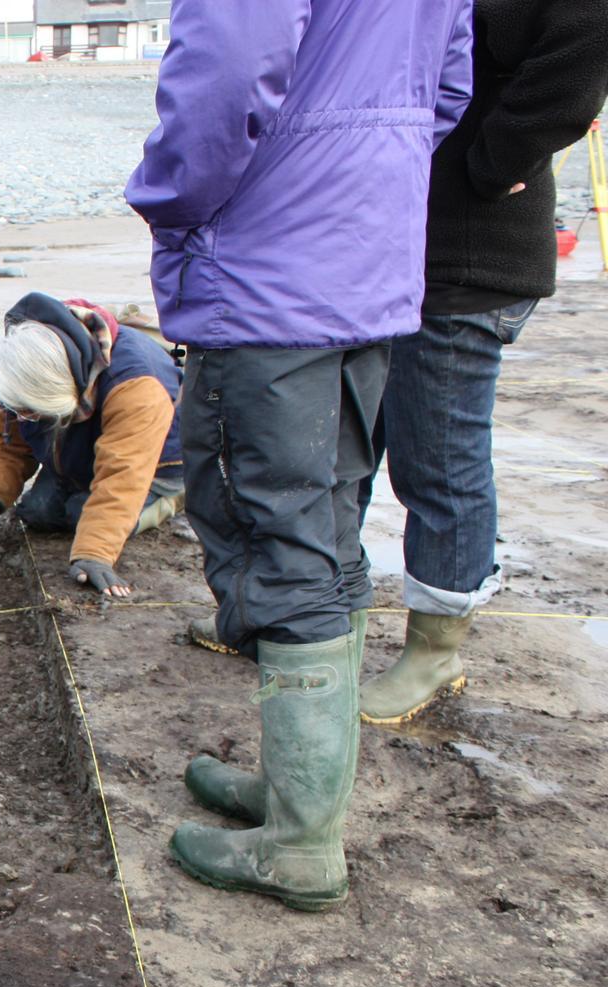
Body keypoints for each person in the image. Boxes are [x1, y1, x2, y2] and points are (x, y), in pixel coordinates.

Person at [125, 0, 473, 911]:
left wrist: (172, 204)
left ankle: (302, 844)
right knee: (329, 523)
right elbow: (448, 81)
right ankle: (297, 792)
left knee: (276, 535)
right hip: (367, 258)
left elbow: (224, 75)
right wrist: (366, 175)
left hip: (269, 271)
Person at [352, 0, 608, 725]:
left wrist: (487, 166)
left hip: (469, 252)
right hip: (394, 248)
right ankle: (322, 625)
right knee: (353, 436)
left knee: (437, 460)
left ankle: (435, 653)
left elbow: (579, 55)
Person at [0, 293, 184, 598]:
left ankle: (173, 498)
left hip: (155, 465)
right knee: (37, 512)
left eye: (35, 413)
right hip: (79, 457)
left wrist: (95, 553)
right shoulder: (17, 369)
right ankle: (79, 489)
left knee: (82, 515)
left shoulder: (137, 387)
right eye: (23, 411)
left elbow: (123, 477)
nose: (26, 418)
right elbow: (5, 444)